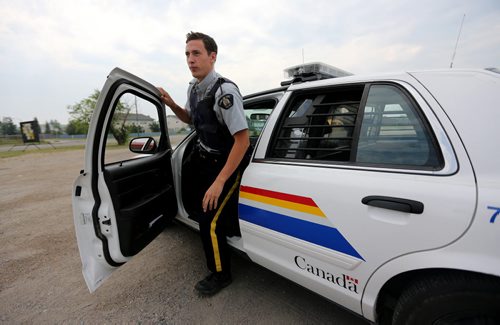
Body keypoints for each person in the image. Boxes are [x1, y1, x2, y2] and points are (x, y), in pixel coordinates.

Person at [158, 32, 249, 296]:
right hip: (204, 161)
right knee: (201, 211)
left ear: (212, 56)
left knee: (209, 220)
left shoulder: (225, 91)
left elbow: (241, 142)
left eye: (196, 53)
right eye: (187, 54)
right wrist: (172, 104)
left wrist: (220, 182)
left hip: (227, 165)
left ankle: (220, 273)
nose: (190, 59)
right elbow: (190, 118)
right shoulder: (195, 88)